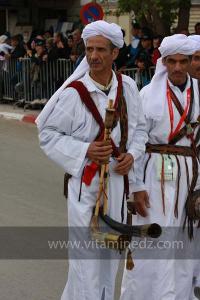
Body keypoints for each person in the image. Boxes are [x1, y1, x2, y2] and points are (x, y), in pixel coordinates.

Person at [36, 20, 147, 300]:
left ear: (114, 53)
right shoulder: (74, 93)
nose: (94, 56)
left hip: (118, 187)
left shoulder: (128, 87)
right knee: (86, 264)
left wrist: (132, 156)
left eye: (100, 49)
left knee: (110, 261)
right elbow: (47, 134)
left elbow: (138, 130)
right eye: (89, 50)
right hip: (86, 189)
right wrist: (85, 149)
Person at [120, 34, 200, 300]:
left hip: (192, 180)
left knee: (185, 248)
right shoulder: (147, 95)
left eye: (183, 61)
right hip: (154, 177)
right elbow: (136, 143)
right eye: (171, 61)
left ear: (190, 61)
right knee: (152, 243)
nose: (177, 67)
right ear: (163, 62)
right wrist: (137, 187)